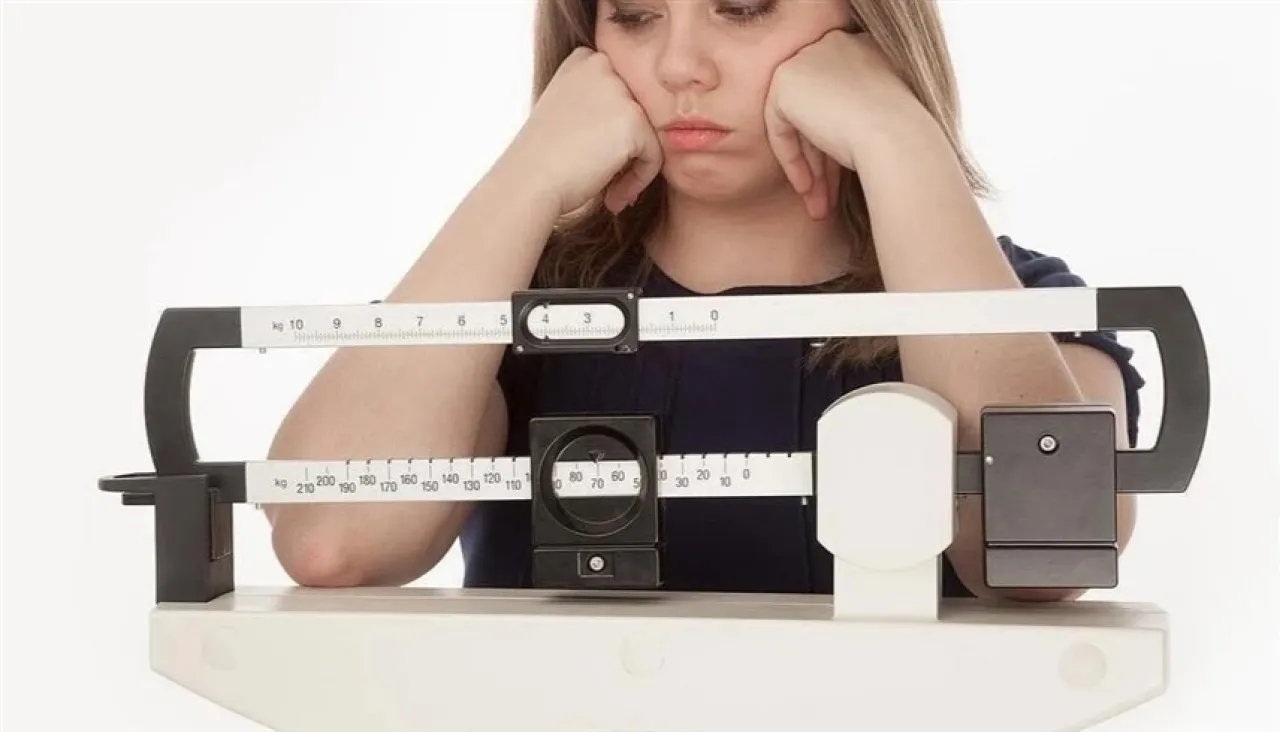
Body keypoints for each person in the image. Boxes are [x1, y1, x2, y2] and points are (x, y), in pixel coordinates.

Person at [263, 0, 1145, 602]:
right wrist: (527, 173)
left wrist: (902, 141)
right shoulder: (503, 297)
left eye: (744, 7)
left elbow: (1046, 556)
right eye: (634, 15)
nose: (680, 65)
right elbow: (330, 542)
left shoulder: (1030, 305)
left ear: (866, 29)